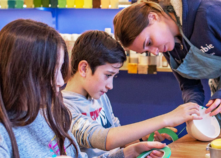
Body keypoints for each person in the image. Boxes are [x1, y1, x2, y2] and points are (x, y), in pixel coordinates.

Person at [0, 19, 168, 158]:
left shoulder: (51, 115)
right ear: (26, 72)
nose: (60, 81)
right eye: (54, 71)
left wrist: (127, 153)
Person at [113, 0, 221, 129]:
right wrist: (191, 108)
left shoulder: (209, 13)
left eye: (149, 42)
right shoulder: (167, 46)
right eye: (146, 51)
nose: (154, 52)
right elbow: (189, 86)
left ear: (153, 17)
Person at [62, 30, 202, 157]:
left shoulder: (99, 96)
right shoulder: (62, 108)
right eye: (107, 75)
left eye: (114, 76)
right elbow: (105, 139)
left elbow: (117, 142)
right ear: (84, 68)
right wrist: (166, 119)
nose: (110, 86)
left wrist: (142, 138)